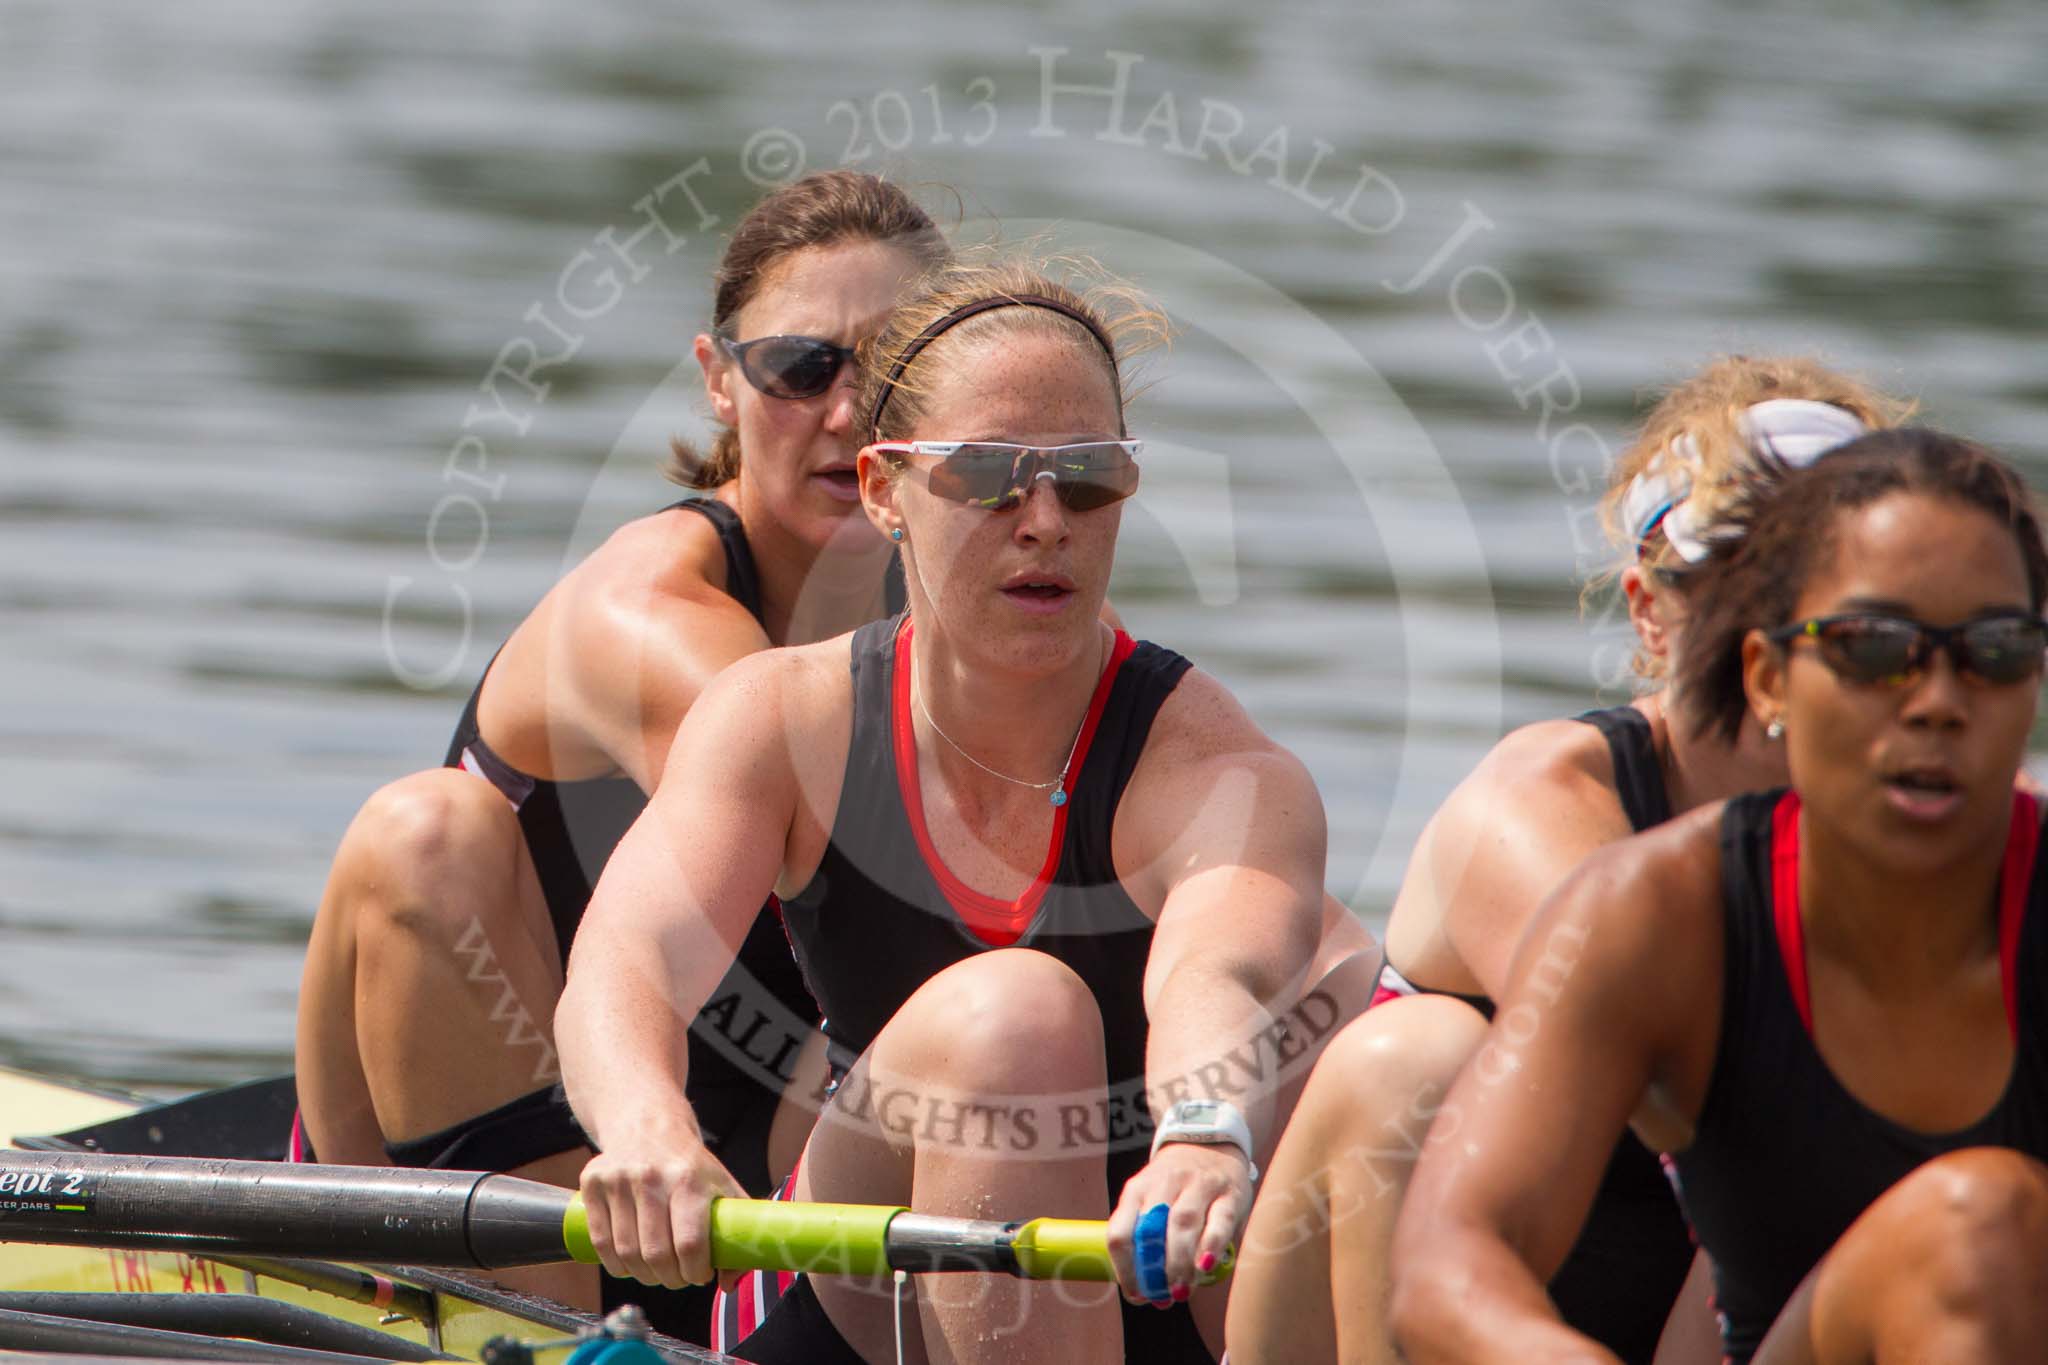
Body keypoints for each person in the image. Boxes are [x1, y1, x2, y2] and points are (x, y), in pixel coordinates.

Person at [556, 256, 1371, 1365]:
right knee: (1016, 1020)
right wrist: (646, 1126)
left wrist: (1199, 1136)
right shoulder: (782, 719)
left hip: (1152, 1270)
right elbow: (626, 962)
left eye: (1087, 477)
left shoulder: (1219, 770)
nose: (1046, 521)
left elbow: (1215, 976)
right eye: (989, 475)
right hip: (854, 1295)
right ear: (884, 490)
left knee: (1386, 1037)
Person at [294, 171, 951, 1325]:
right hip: (479, 1145)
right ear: (718, 380)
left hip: (728, 1162)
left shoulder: (990, 595)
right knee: (426, 831)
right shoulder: (645, 614)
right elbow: (857, 814)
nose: (848, 411)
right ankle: (518, 1322)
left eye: (891, 370)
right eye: (801, 368)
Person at [1226, 357, 1911, 1365]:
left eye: (1823, 586)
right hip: (1407, 1317)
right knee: (1412, 1059)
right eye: (1735, 580)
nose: (1774, 627)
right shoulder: (1536, 806)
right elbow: (1726, 1089)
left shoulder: (1937, 818)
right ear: (1648, 611)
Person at [1389, 425, 2048, 1365]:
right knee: (1974, 1228)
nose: (1940, 700)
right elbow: (1448, 1268)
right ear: (1769, 680)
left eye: (1995, 649)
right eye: (1875, 648)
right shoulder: (1657, 912)